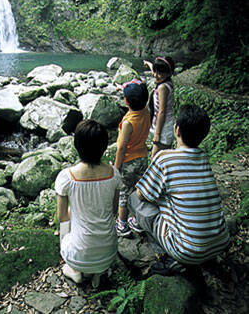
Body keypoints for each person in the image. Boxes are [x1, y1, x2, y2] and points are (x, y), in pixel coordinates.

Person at [128, 104, 230, 274]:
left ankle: (167, 256)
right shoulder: (203, 157)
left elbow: (141, 194)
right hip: (219, 243)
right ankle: (203, 256)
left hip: (187, 252)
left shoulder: (165, 158)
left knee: (133, 199)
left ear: (177, 129)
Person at [55, 119, 122, 288]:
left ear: (77, 145)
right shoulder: (114, 174)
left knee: (66, 224)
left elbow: (62, 217)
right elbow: (113, 210)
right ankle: (98, 274)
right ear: (104, 146)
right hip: (108, 254)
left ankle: (74, 271)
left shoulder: (67, 177)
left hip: (78, 256)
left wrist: (77, 210)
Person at [114, 81, 150, 237]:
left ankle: (122, 224)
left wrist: (117, 167)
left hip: (129, 161)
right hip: (143, 157)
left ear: (126, 101)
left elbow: (122, 148)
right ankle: (136, 220)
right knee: (138, 190)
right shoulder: (146, 111)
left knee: (125, 193)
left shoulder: (129, 123)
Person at [144, 56, 175, 159]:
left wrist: (157, 134)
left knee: (155, 159)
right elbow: (154, 68)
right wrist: (148, 63)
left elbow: (162, 112)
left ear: (168, 73)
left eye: (160, 73)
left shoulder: (163, 88)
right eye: (155, 72)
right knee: (164, 157)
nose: (156, 75)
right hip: (166, 124)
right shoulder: (167, 81)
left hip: (163, 128)